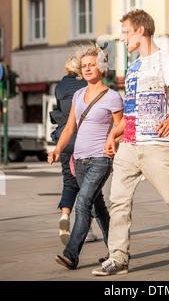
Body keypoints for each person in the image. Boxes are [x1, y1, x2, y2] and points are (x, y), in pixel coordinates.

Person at [92, 9, 169, 277]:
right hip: (130, 146)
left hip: (158, 145)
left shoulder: (166, 61)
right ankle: (118, 257)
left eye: (125, 33)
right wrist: (114, 134)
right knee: (119, 201)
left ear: (140, 31)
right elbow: (131, 112)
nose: (122, 39)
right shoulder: (132, 68)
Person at [48, 44, 124, 270]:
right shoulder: (79, 94)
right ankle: (115, 249)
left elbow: (121, 128)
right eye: (84, 66)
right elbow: (70, 128)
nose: (88, 69)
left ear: (102, 69)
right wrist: (58, 149)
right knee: (96, 207)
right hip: (79, 161)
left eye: (92, 65)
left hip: (100, 159)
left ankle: (71, 254)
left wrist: (114, 142)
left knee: (82, 203)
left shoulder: (113, 97)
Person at [50, 56, 90, 245]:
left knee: (69, 181)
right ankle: (87, 230)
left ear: (67, 69)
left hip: (65, 139)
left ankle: (65, 217)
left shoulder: (59, 87)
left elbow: (61, 110)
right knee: (88, 186)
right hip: (85, 138)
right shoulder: (87, 85)